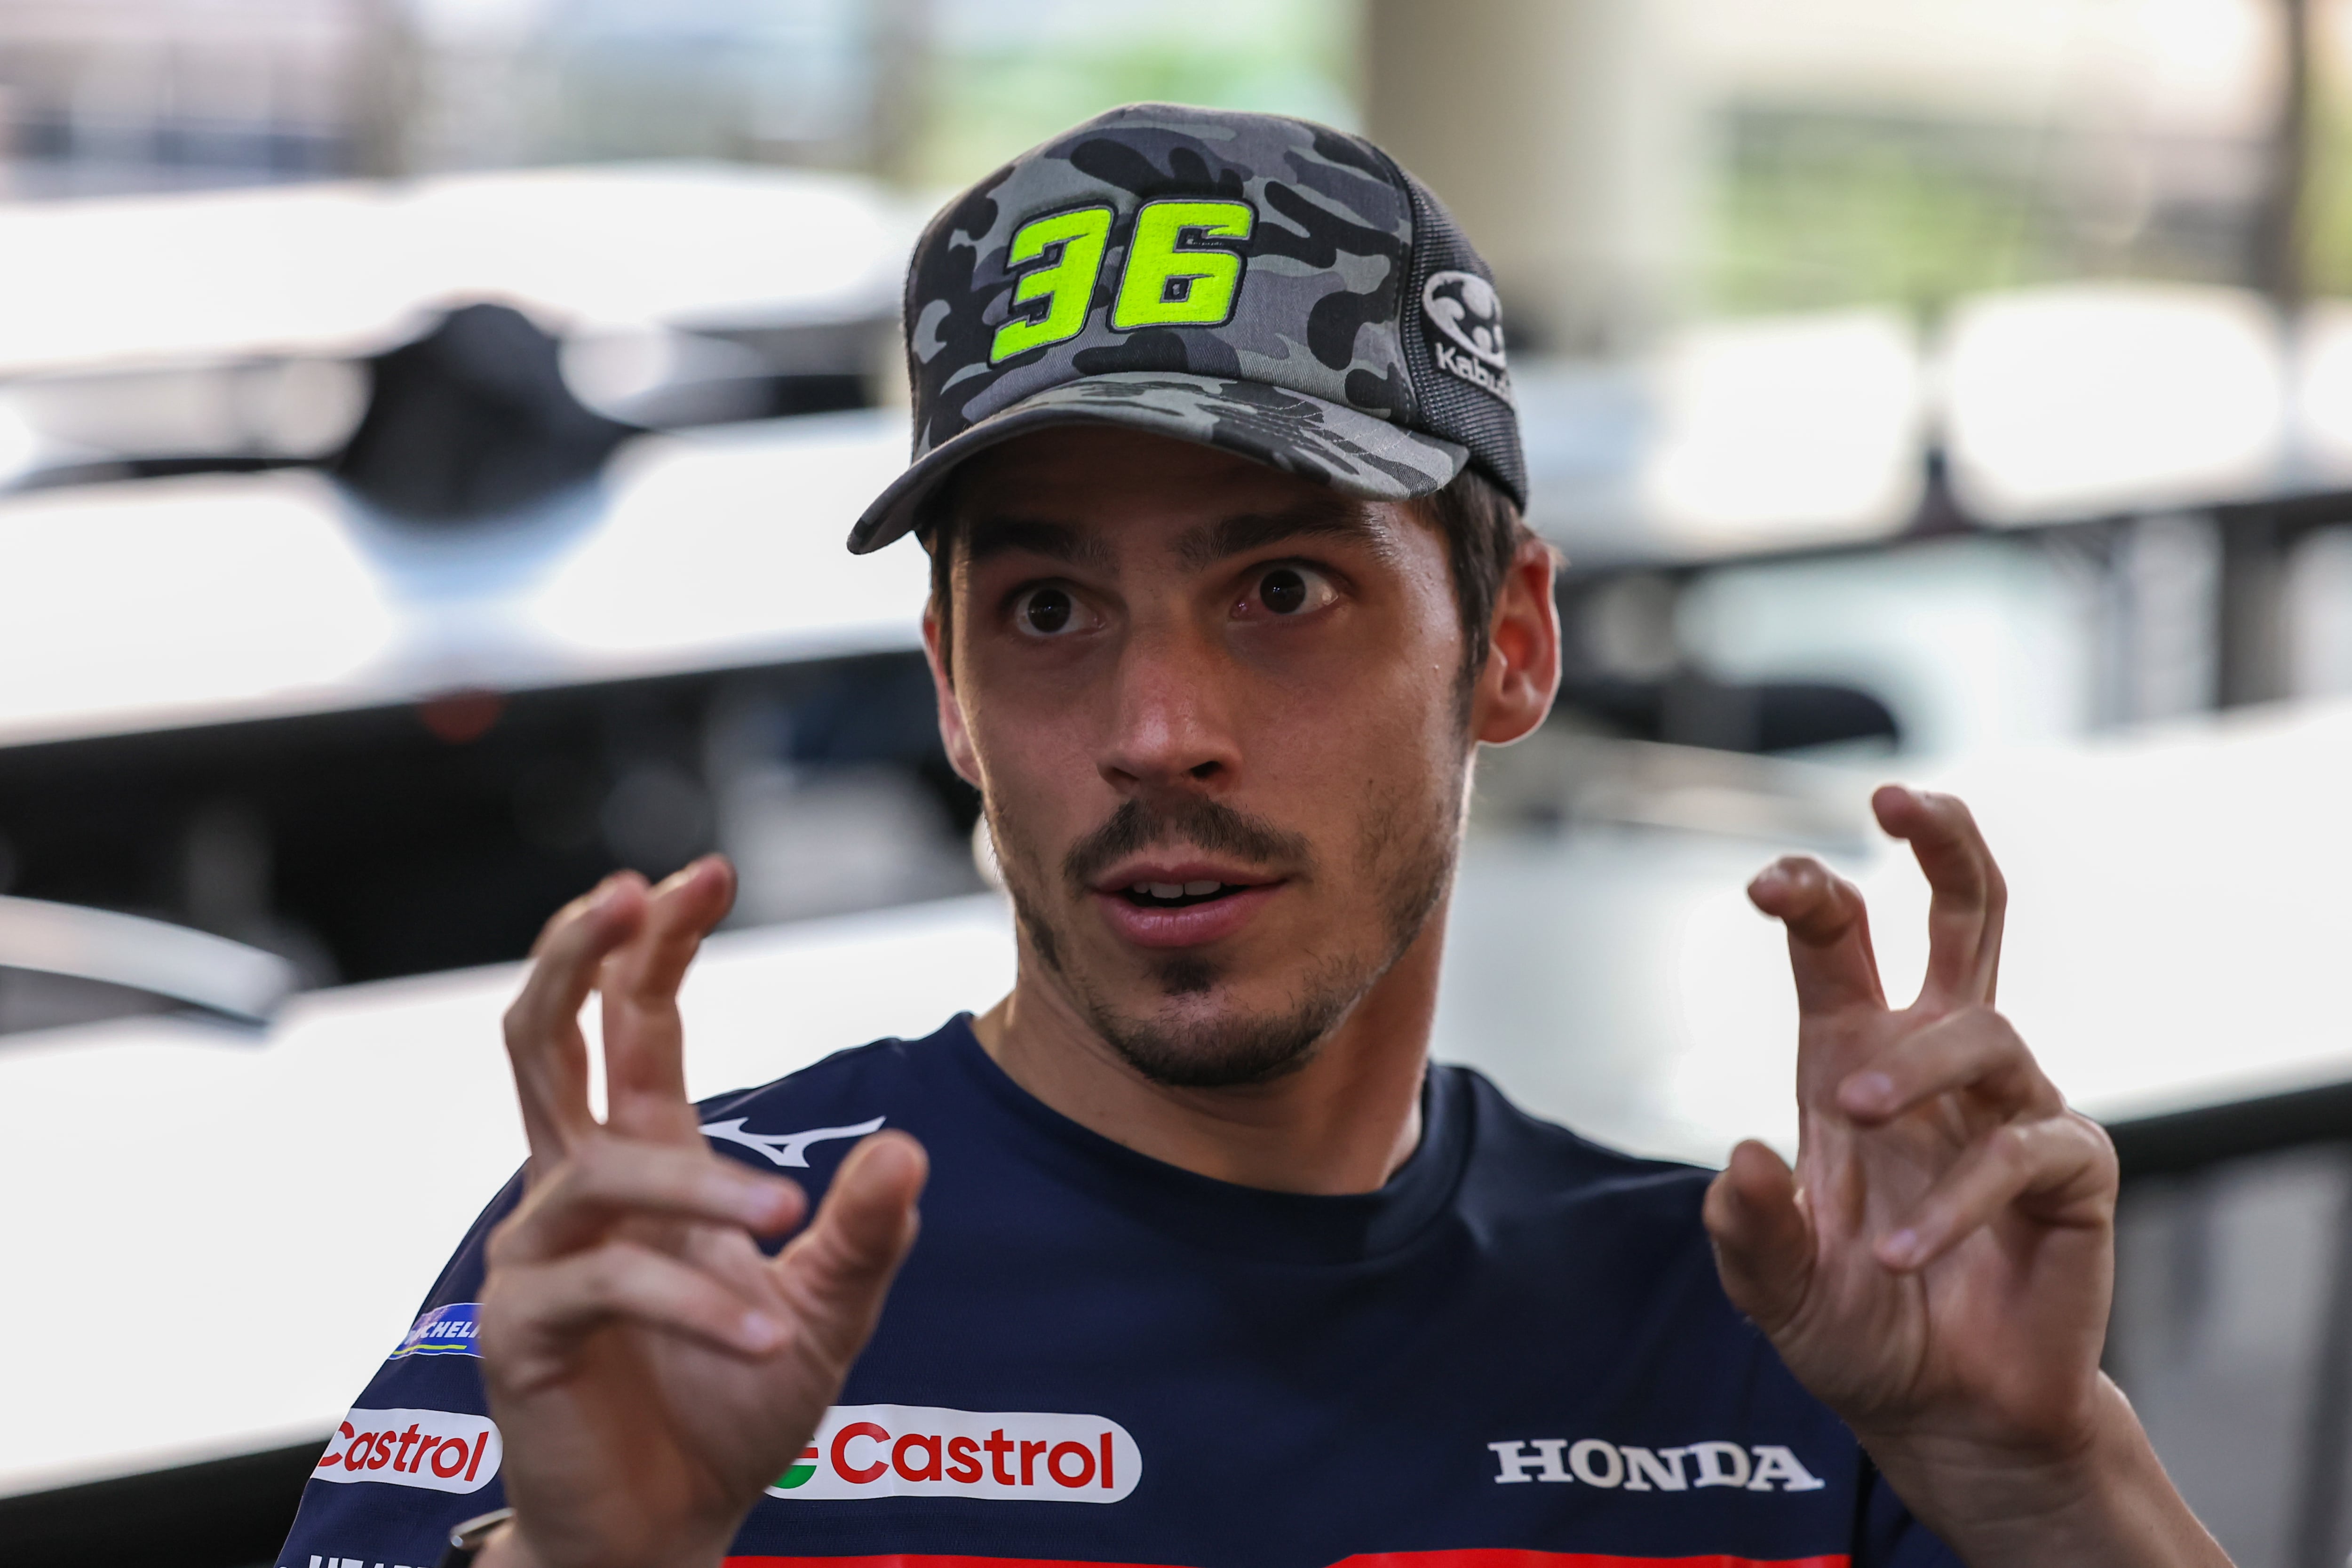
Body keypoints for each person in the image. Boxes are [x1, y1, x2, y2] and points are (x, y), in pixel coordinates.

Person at [277, 104, 2229, 1568]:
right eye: (1048, 612)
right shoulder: (666, 1277)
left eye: (1281, 591)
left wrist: (2051, 1484)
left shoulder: (1771, 1344)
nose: (1154, 733)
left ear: (1511, 642)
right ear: (948, 684)